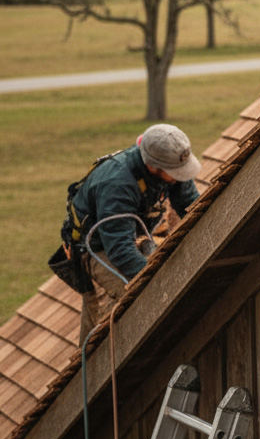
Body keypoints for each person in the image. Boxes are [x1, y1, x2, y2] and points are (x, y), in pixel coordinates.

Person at [62, 124, 201, 343]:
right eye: (174, 174)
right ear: (152, 167)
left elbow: (191, 205)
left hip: (130, 234)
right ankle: (95, 369)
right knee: (133, 302)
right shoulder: (116, 184)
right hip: (97, 249)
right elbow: (121, 251)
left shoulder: (170, 168)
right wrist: (158, 283)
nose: (179, 177)